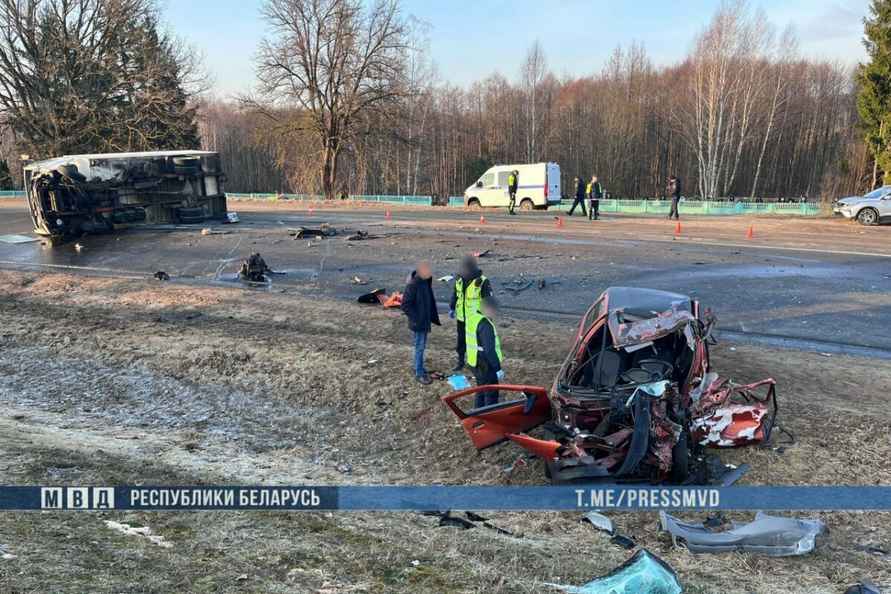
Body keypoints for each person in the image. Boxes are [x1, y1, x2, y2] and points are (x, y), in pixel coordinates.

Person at [448, 256, 492, 372]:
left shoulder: (482, 282)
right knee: (461, 341)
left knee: (477, 343)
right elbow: (456, 294)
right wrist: (452, 307)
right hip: (462, 318)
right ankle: (461, 361)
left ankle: (476, 363)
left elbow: (488, 301)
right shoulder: (459, 279)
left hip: (475, 320)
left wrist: (488, 319)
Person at [401, 261, 441, 385]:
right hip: (419, 322)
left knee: (420, 346)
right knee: (420, 347)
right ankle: (419, 373)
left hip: (423, 320)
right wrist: (417, 318)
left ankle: (419, 368)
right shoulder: (413, 284)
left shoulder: (425, 282)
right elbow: (405, 305)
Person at [466, 297, 503, 408]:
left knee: (481, 390)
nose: (495, 313)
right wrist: (498, 368)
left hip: (474, 362)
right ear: (488, 309)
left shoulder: (473, 318)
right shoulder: (485, 325)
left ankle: (477, 411)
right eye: (494, 310)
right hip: (485, 365)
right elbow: (489, 350)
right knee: (491, 393)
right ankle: (489, 415)